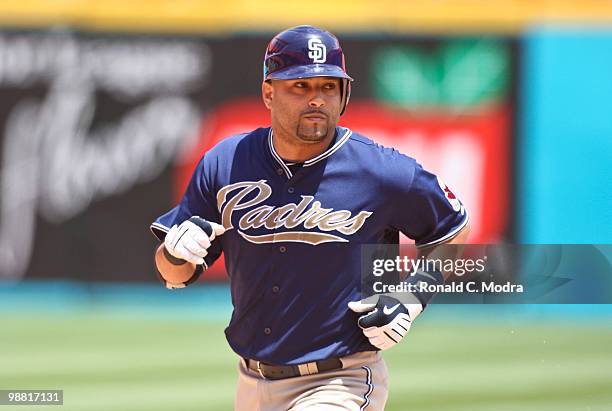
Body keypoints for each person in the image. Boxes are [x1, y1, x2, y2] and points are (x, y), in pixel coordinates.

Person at [151, 25, 470, 411]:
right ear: (269, 92)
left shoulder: (381, 171)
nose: (316, 98)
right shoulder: (226, 163)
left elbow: (453, 232)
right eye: (300, 86)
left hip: (340, 381)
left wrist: (412, 295)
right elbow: (174, 273)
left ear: (344, 94)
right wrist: (174, 253)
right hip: (250, 383)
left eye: (328, 86)